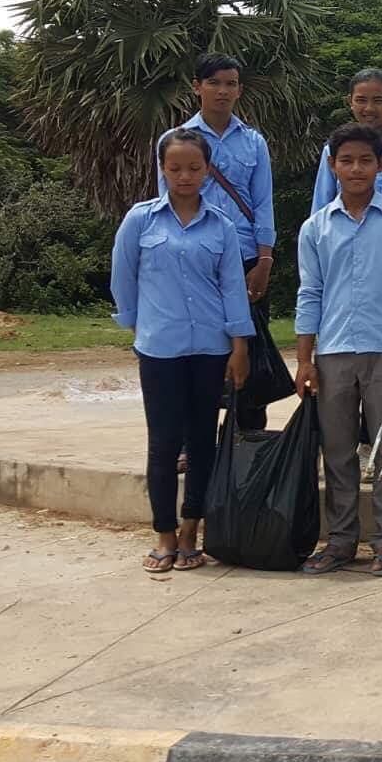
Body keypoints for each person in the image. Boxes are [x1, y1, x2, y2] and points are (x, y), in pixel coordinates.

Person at [110, 129, 253, 573]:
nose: (185, 176)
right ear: (162, 169)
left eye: (194, 168)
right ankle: (164, 534)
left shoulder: (222, 226)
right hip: (160, 349)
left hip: (210, 348)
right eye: (175, 168)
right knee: (164, 443)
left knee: (203, 440)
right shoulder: (141, 220)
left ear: (207, 169)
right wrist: (140, 327)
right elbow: (123, 277)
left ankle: (192, 530)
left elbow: (233, 288)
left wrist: (239, 345)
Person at [293, 123, 382, 578]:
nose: (356, 169)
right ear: (333, 165)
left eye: (365, 160)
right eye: (346, 161)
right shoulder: (316, 227)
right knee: (337, 451)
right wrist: (305, 359)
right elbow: (310, 293)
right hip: (333, 352)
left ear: (381, 165)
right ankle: (341, 539)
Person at [157, 52, 275, 432]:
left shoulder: (254, 142)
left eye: (230, 84)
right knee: (198, 350)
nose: (222, 91)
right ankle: (192, 443)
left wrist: (265, 259)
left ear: (239, 90)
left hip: (245, 258)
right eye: (214, 83)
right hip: (198, 259)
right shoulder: (175, 141)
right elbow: (166, 205)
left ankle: (247, 440)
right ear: (197, 87)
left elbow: (263, 202)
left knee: (251, 354)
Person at [311, 69, 382, 211]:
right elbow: (321, 206)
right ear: (350, 102)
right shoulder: (334, 149)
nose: (369, 108)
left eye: (378, 101)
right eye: (361, 100)